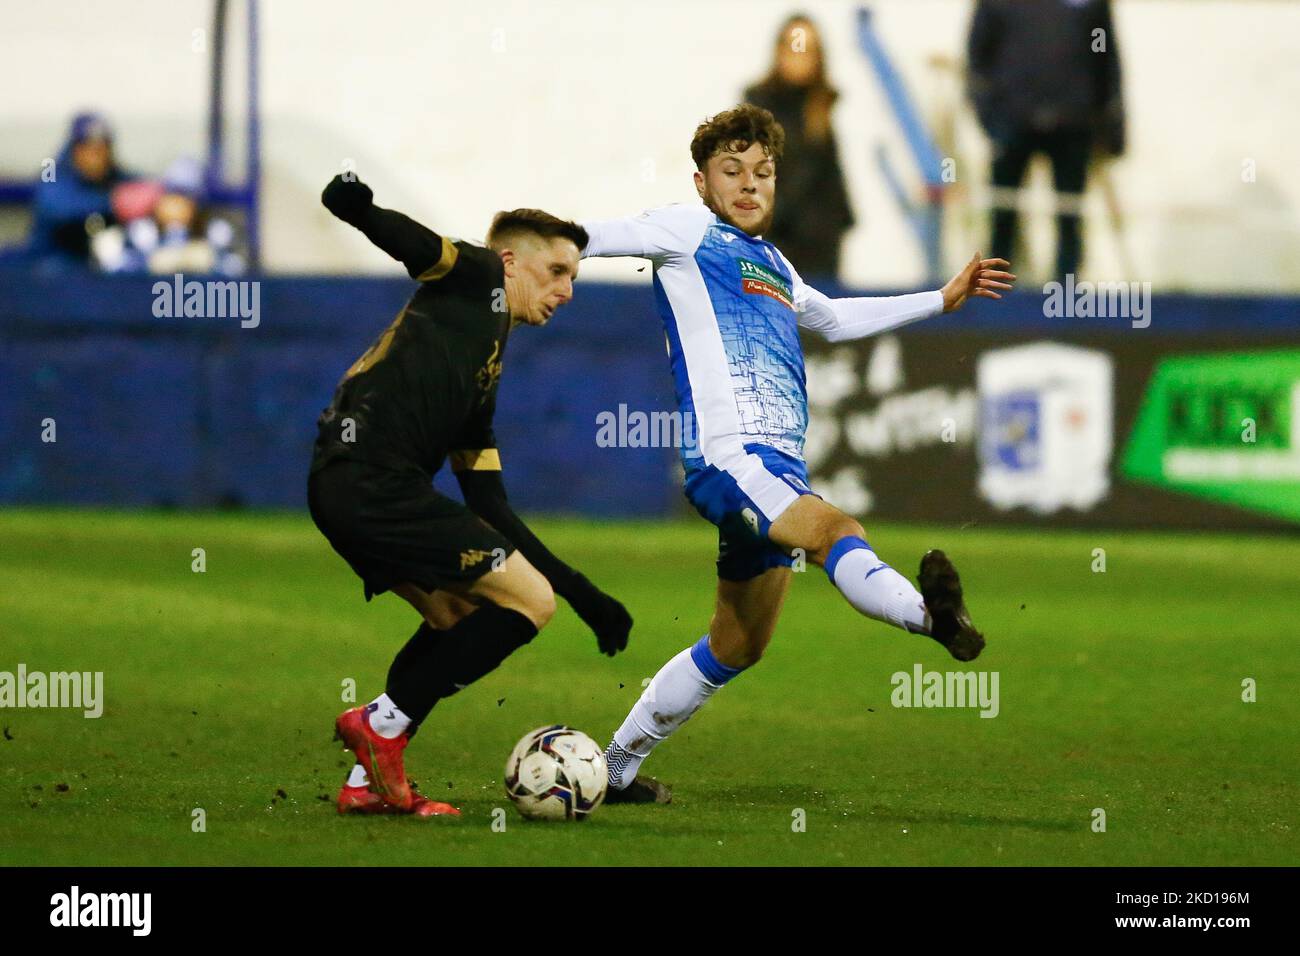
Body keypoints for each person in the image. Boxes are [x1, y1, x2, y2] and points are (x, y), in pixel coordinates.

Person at [579, 105, 1015, 803]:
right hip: (732, 460)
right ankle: (931, 620)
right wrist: (531, 246)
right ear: (702, 182)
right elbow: (598, 236)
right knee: (836, 531)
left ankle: (614, 769)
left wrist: (941, 297)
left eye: (763, 172)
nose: (750, 184)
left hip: (773, 471)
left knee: (737, 645)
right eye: (732, 171)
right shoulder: (687, 230)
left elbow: (837, 319)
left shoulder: (775, 264)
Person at [310, 174, 633, 816]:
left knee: (459, 617)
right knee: (528, 602)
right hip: (371, 482)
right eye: (557, 271)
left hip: (346, 487)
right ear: (512, 260)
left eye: (574, 277)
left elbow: (489, 507)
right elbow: (420, 247)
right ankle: (380, 725)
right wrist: (361, 210)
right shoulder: (480, 273)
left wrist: (583, 591)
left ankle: (365, 780)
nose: (566, 291)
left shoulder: (483, 368)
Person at [967, 0, 1125, 279]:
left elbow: (1103, 52)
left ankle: (1066, 296)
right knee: (1003, 214)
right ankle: (995, 296)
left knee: (1069, 215)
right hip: (1012, 123)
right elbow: (978, 57)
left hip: (1073, 124)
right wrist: (990, 118)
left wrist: (1110, 123)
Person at [743, 13, 853, 281]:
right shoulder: (759, 107)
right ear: (779, 51)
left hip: (822, 252)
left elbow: (832, 183)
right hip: (775, 245)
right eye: (795, 47)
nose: (801, 57)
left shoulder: (821, 106)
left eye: (810, 50)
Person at [13, 112, 133, 270]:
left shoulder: (116, 176)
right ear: (75, 150)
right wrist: (114, 201)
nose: (96, 158)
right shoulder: (53, 173)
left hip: (96, 265)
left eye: (102, 149)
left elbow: (140, 189)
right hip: (51, 261)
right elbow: (54, 206)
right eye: (89, 149)